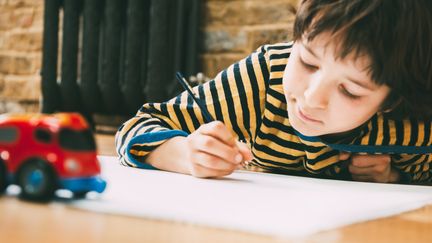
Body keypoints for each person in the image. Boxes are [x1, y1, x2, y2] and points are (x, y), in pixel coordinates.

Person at [115, 0, 432, 184]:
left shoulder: (407, 124)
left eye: (350, 91)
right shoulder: (263, 79)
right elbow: (137, 126)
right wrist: (183, 153)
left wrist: (394, 179)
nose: (311, 98)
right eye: (307, 62)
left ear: (391, 101)